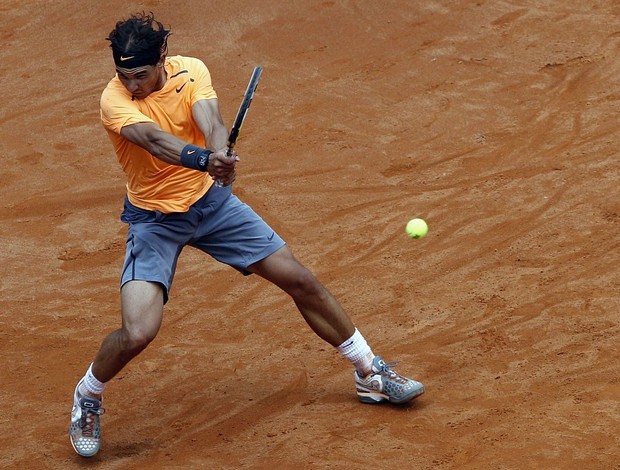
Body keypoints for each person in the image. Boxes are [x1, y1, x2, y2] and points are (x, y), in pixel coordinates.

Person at [69, 12, 425, 458]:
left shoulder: (191, 70)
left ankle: (369, 373)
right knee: (138, 332)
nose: (132, 85)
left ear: (162, 58)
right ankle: (88, 394)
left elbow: (213, 119)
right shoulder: (113, 100)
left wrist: (219, 152)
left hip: (213, 206)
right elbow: (155, 140)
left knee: (300, 280)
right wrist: (204, 160)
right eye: (123, 75)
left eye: (140, 75)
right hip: (155, 219)